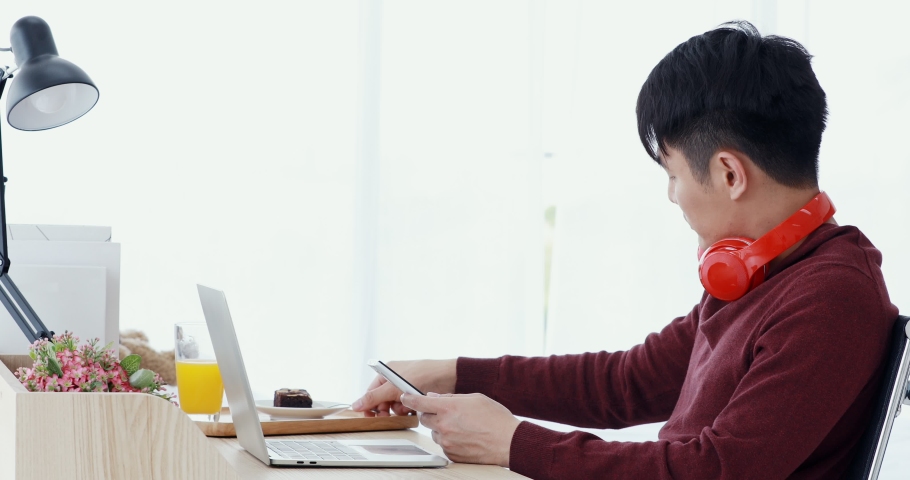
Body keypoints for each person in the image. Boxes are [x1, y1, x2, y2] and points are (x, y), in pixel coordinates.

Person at [352, 21, 897, 479]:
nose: (672, 197)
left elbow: (717, 470)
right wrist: (455, 373)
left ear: (729, 173)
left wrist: (515, 443)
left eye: (673, 174)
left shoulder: (831, 298)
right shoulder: (763, 271)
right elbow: (623, 385)